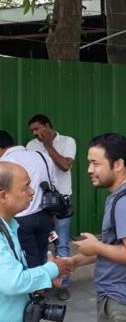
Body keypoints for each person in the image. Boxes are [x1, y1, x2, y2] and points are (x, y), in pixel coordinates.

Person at [70, 133, 126, 322]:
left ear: (118, 164)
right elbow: (116, 245)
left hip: (123, 303)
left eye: (96, 163)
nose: (89, 170)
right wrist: (74, 261)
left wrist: (97, 246)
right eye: (89, 163)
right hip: (121, 297)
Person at [0, 161, 73, 322]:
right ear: (3, 195)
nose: (32, 192)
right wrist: (52, 269)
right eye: (25, 187)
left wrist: (41, 278)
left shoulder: (11, 225)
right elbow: (13, 282)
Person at [26, 114, 76, 300]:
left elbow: (64, 165)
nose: (36, 133)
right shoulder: (31, 146)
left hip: (61, 201)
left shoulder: (67, 141)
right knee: (42, 243)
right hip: (39, 203)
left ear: (48, 126)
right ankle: (43, 285)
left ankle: (62, 284)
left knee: (61, 243)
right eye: (33, 131)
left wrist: (48, 145)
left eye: (38, 129)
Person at [0, 130, 57, 268]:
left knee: (27, 259)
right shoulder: (41, 155)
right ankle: (46, 285)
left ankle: (38, 288)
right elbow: (54, 184)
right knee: (43, 254)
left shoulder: (5, 164)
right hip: (45, 214)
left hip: (20, 218)